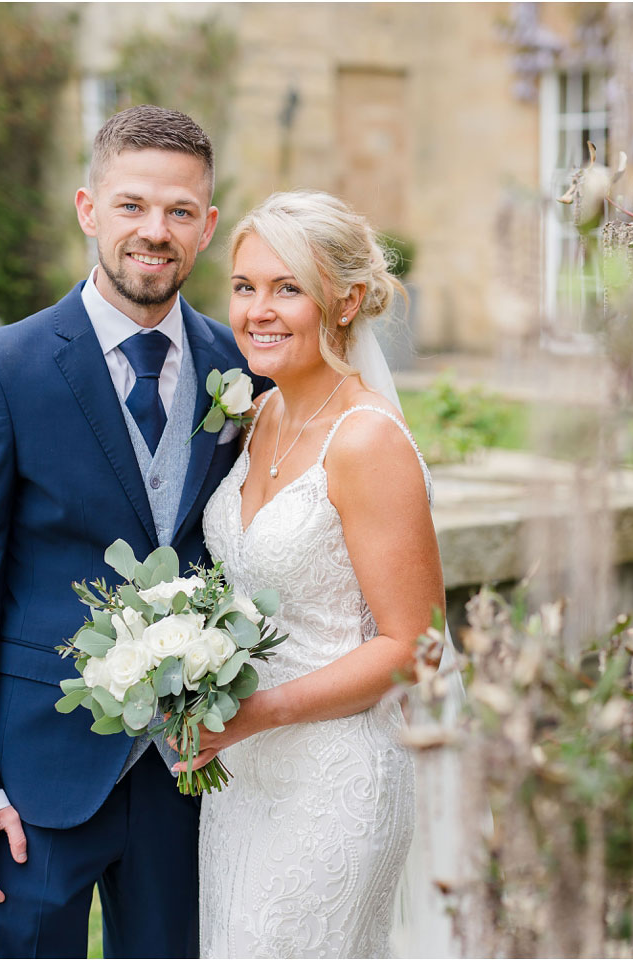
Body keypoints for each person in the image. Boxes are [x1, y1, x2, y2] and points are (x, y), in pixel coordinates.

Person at [0, 105, 251, 958]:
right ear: (87, 208)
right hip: (40, 775)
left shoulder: (240, 370)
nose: (156, 231)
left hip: (189, 771)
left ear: (207, 227)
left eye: (180, 212)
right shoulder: (4, 370)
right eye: (132, 205)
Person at [186, 190, 452, 958]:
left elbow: (416, 645)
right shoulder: (259, 414)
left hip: (335, 781)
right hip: (243, 779)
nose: (257, 311)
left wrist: (259, 712)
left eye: (287, 288)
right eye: (245, 287)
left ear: (347, 301)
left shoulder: (365, 440)